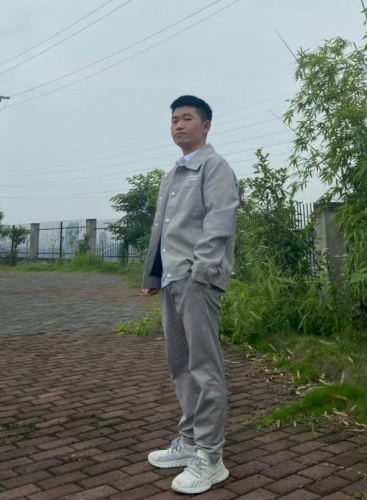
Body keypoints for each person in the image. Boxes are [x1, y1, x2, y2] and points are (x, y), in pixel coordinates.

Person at [142, 95, 239, 495]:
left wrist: (202, 275)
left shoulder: (214, 167)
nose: (178, 125)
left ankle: (211, 457)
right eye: (174, 120)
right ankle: (190, 441)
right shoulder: (173, 174)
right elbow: (161, 228)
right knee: (180, 366)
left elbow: (219, 223)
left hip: (197, 281)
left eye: (186, 118)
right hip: (171, 280)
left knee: (204, 367)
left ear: (206, 126)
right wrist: (153, 274)